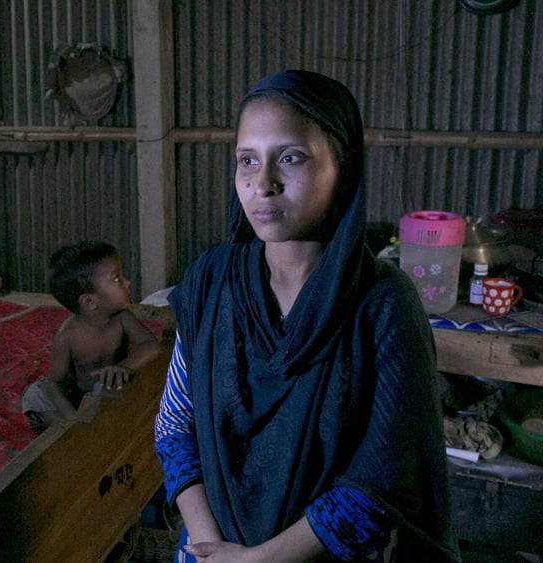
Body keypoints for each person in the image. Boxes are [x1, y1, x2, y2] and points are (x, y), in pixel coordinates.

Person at [154, 70, 460, 562]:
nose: (263, 184)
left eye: (291, 157)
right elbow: (174, 423)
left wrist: (257, 560)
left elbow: (383, 480)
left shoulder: (382, 304)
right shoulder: (211, 282)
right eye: (247, 160)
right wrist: (208, 546)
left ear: (344, 166)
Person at [22, 241, 160, 434]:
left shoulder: (122, 318)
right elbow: (55, 382)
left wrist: (123, 367)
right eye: (117, 279)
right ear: (89, 301)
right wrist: (72, 418)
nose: (127, 283)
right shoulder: (67, 336)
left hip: (108, 390)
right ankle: (71, 432)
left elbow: (151, 345)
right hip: (75, 397)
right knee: (34, 394)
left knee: (121, 387)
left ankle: (86, 430)